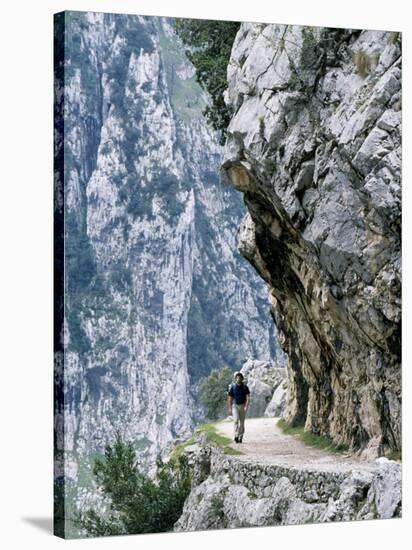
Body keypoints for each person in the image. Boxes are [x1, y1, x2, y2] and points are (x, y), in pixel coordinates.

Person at [227, 371, 250, 443]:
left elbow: (248, 397)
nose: (238, 379)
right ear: (235, 379)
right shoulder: (233, 387)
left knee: (242, 423)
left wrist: (246, 406)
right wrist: (230, 408)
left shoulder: (245, 387)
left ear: (242, 379)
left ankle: (241, 436)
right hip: (235, 406)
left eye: (240, 378)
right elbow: (230, 398)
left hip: (242, 405)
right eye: (237, 378)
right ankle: (236, 435)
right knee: (236, 421)